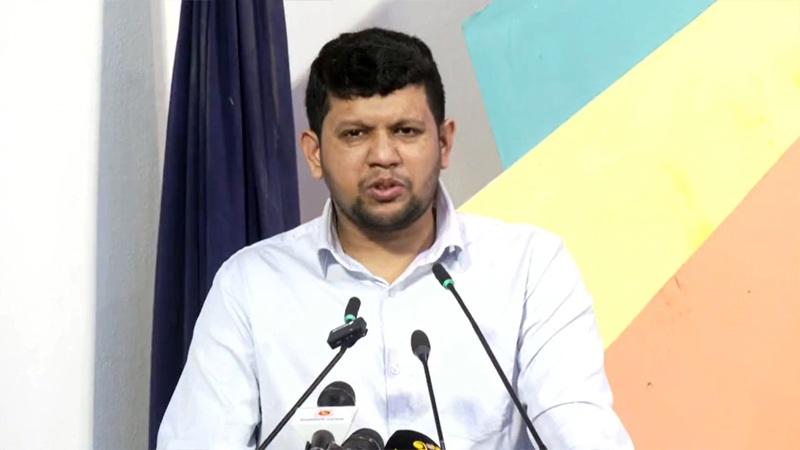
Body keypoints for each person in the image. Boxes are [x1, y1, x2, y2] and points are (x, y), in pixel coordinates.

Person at [157, 28, 633, 449]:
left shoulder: (529, 270)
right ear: (315, 153)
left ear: (444, 143)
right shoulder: (251, 285)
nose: (383, 155)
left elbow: (581, 432)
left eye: (406, 131)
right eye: (355, 134)